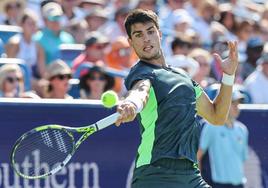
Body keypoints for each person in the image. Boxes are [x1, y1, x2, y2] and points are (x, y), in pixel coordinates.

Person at [115, 9, 238, 188]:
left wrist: (228, 77)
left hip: (190, 174)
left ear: (160, 34)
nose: (146, 38)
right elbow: (141, 91)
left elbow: (216, 116)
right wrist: (131, 103)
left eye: (150, 31)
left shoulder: (184, 77)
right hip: (155, 174)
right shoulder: (142, 73)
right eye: (139, 35)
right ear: (130, 42)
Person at [197, 85, 248, 188]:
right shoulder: (211, 126)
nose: (236, 106)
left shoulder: (242, 130)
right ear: (223, 104)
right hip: (218, 184)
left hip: (240, 184)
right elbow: (198, 156)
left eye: (238, 103)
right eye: (232, 102)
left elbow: (242, 160)